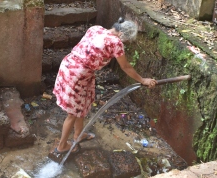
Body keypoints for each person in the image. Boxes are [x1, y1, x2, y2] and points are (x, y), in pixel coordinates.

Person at [52, 17, 157, 154]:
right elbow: (125, 66)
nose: (125, 42)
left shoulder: (95, 28)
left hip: (68, 66)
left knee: (81, 105)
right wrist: (142, 80)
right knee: (72, 113)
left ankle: (78, 135)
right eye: (126, 40)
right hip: (78, 75)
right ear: (122, 34)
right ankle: (62, 146)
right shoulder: (116, 43)